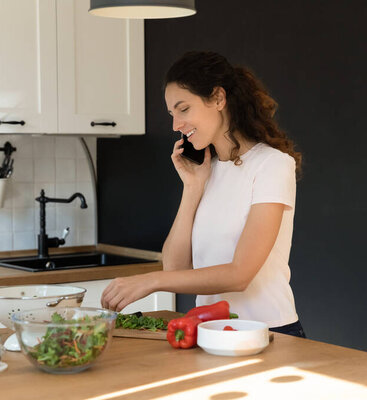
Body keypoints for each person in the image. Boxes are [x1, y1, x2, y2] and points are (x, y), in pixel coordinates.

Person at [101, 51, 305, 338]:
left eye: (183, 109)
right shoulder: (207, 171)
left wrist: (150, 281)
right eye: (172, 114)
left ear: (218, 99)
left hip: (269, 334)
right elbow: (175, 267)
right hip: (209, 333)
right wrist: (193, 188)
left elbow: (239, 274)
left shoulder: (272, 165)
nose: (176, 125)